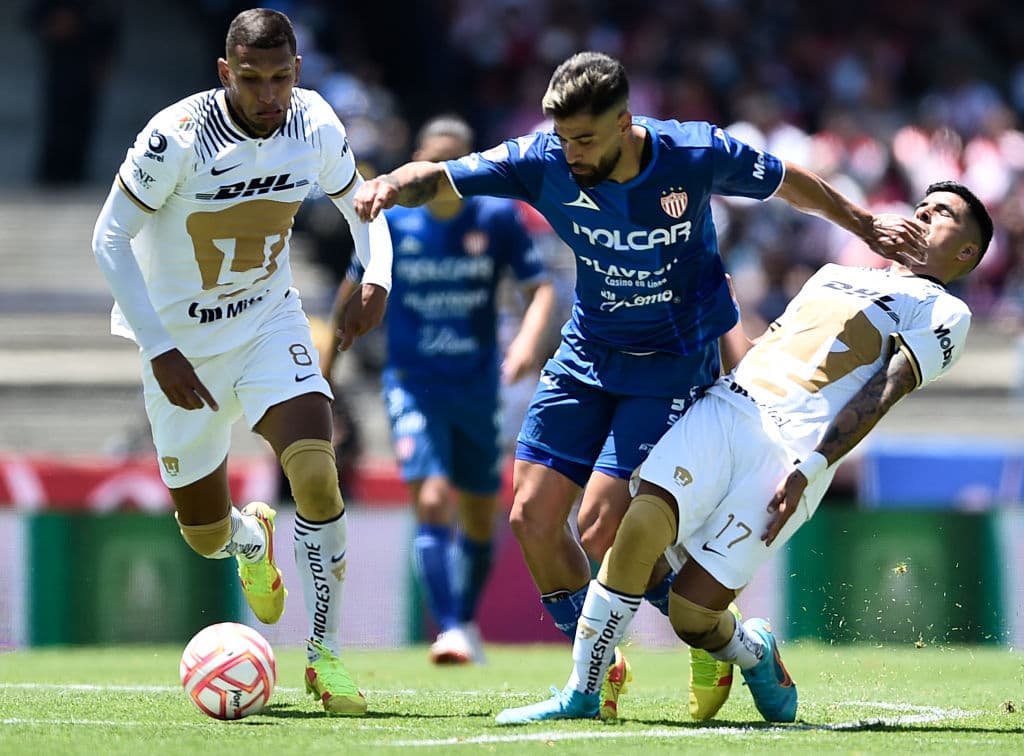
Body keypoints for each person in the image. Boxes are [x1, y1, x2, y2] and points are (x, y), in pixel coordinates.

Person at [353, 51, 926, 718]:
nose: (571, 154)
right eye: (564, 139)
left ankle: (728, 645)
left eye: (586, 139)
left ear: (626, 122)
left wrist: (863, 225)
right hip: (588, 351)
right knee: (532, 516)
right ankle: (607, 671)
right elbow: (444, 177)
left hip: (673, 359)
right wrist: (392, 182)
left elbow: (786, 182)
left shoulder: (691, 152)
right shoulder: (542, 159)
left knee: (601, 527)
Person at [493, 180, 993, 724]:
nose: (922, 214)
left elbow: (884, 392)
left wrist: (814, 466)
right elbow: (765, 352)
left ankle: (752, 650)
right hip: (730, 407)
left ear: (966, 251)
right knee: (635, 530)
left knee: (692, 615)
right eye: (921, 205)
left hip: (791, 454)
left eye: (942, 213)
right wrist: (728, 313)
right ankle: (583, 690)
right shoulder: (836, 275)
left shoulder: (945, 313)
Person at [90, 8, 392, 717]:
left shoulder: (315, 123)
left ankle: (326, 658)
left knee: (316, 473)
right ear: (225, 73)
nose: (268, 95)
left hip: (267, 321)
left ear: (297, 72)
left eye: (281, 78)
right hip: (180, 347)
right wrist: (159, 349)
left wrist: (376, 277)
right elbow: (109, 239)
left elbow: (363, 208)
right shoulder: (175, 138)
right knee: (201, 537)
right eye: (251, 80)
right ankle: (249, 539)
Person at [324, 115, 556, 665]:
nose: (438, 173)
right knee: (430, 499)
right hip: (412, 382)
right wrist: (324, 369)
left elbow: (540, 287)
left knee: (479, 513)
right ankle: (449, 626)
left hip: (477, 385)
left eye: (450, 163)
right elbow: (350, 288)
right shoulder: (393, 223)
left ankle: (465, 621)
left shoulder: (497, 217)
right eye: (431, 161)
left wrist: (527, 342)